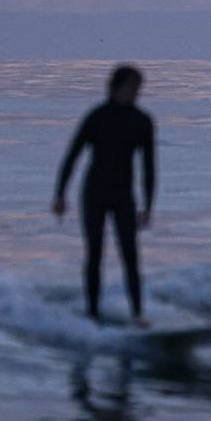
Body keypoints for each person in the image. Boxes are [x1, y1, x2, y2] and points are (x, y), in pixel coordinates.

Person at [53, 64, 156, 327]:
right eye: (131, 87)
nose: (136, 93)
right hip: (94, 194)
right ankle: (92, 313)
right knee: (95, 254)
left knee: (130, 254)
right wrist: (60, 194)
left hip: (123, 195)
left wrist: (147, 206)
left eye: (138, 88)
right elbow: (73, 156)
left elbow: (148, 167)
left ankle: (137, 314)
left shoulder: (142, 121)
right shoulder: (96, 117)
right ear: (116, 87)